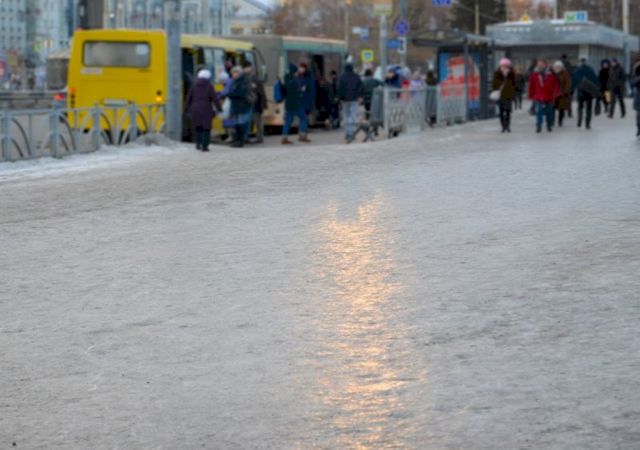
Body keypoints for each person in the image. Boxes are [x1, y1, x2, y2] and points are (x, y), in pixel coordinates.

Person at [184, 69, 222, 152]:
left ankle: (198, 144)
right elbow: (214, 98)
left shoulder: (194, 86)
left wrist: (186, 109)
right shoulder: (209, 86)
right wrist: (219, 109)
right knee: (206, 128)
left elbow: (189, 98)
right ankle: (205, 146)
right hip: (206, 109)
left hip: (195, 108)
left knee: (198, 127)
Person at [281, 64, 310, 145]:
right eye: (296, 71)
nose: (297, 73)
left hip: (288, 104)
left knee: (288, 121)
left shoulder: (286, 79)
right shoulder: (294, 81)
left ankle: (284, 138)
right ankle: (302, 136)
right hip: (296, 104)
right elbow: (296, 92)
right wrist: (302, 90)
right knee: (303, 118)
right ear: (293, 72)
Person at [528, 59, 560, 133]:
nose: (540, 66)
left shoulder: (551, 75)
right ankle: (538, 126)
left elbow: (556, 84)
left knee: (549, 112)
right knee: (539, 111)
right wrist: (531, 95)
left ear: (545, 65)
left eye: (542, 64)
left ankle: (549, 125)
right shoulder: (534, 74)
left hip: (549, 96)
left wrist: (557, 92)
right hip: (538, 96)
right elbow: (531, 85)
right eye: (539, 64)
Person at [337, 63, 363, 143]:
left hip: (345, 100)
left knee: (346, 116)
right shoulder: (356, 76)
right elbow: (361, 87)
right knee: (353, 116)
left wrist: (340, 98)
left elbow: (340, 88)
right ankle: (353, 132)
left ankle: (348, 133)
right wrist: (359, 96)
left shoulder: (342, 77)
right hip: (354, 99)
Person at [572, 58, 600, 130]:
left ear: (580, 62)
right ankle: (587, 123)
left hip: (580, 91)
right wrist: (597, 89)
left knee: (580, 107)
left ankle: (579, 120)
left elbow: (574, 81)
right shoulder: (590, 70)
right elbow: (595, 80)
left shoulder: (577, 71)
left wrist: (572, 89)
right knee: (589, 108)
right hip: (589, 92)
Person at [227, 66, 251, 148]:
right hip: (236, 105)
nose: (233, 75)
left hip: (241, 106)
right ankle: (237, 141)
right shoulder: (235, 82)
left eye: (234, 73)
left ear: (239, 73)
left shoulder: (242, 82)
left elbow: (241, 93)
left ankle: (240, 141)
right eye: (232, 73)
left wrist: (230, 94)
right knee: (236, 124)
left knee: (240, 123)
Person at [243, 61, 267, 143]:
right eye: (245, 68)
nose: (247, 69)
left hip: (256, 104)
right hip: (247, 103)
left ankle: (259, 137)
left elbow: (261, 93)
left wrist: (263, 104)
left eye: (248, 67)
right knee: (248, 121)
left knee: (257, 121)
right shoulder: (243, 78)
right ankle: (246, 137)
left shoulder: (256, 78)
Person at [492, 58, 517, 133]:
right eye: (503, 65)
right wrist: (500, 83)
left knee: (508, 111)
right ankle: (503, 126)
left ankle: (508, 126)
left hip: (508, 95)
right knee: (501, 112)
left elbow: (514, 84)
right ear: (500, 66)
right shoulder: (497, 73)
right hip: (500, 95)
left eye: (506, 66)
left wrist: (513, 93)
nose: (504, 67)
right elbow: (494, 84)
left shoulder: (511, 74)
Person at [552, 60, 572, 127]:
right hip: (553, 94)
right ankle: (552, 121)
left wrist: (566, 91)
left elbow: (568, 83)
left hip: (562, 94)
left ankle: (560, 121)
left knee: (561, 109)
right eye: (556, 67)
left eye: (559, 67)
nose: (557, 68)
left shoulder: (565, 73)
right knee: (552, 108)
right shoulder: (552, 74)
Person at [634, 63, 640, 137]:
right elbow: (633, 83)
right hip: (638, 98)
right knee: (638, 115)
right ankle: (639, 128)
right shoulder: (637, 76)